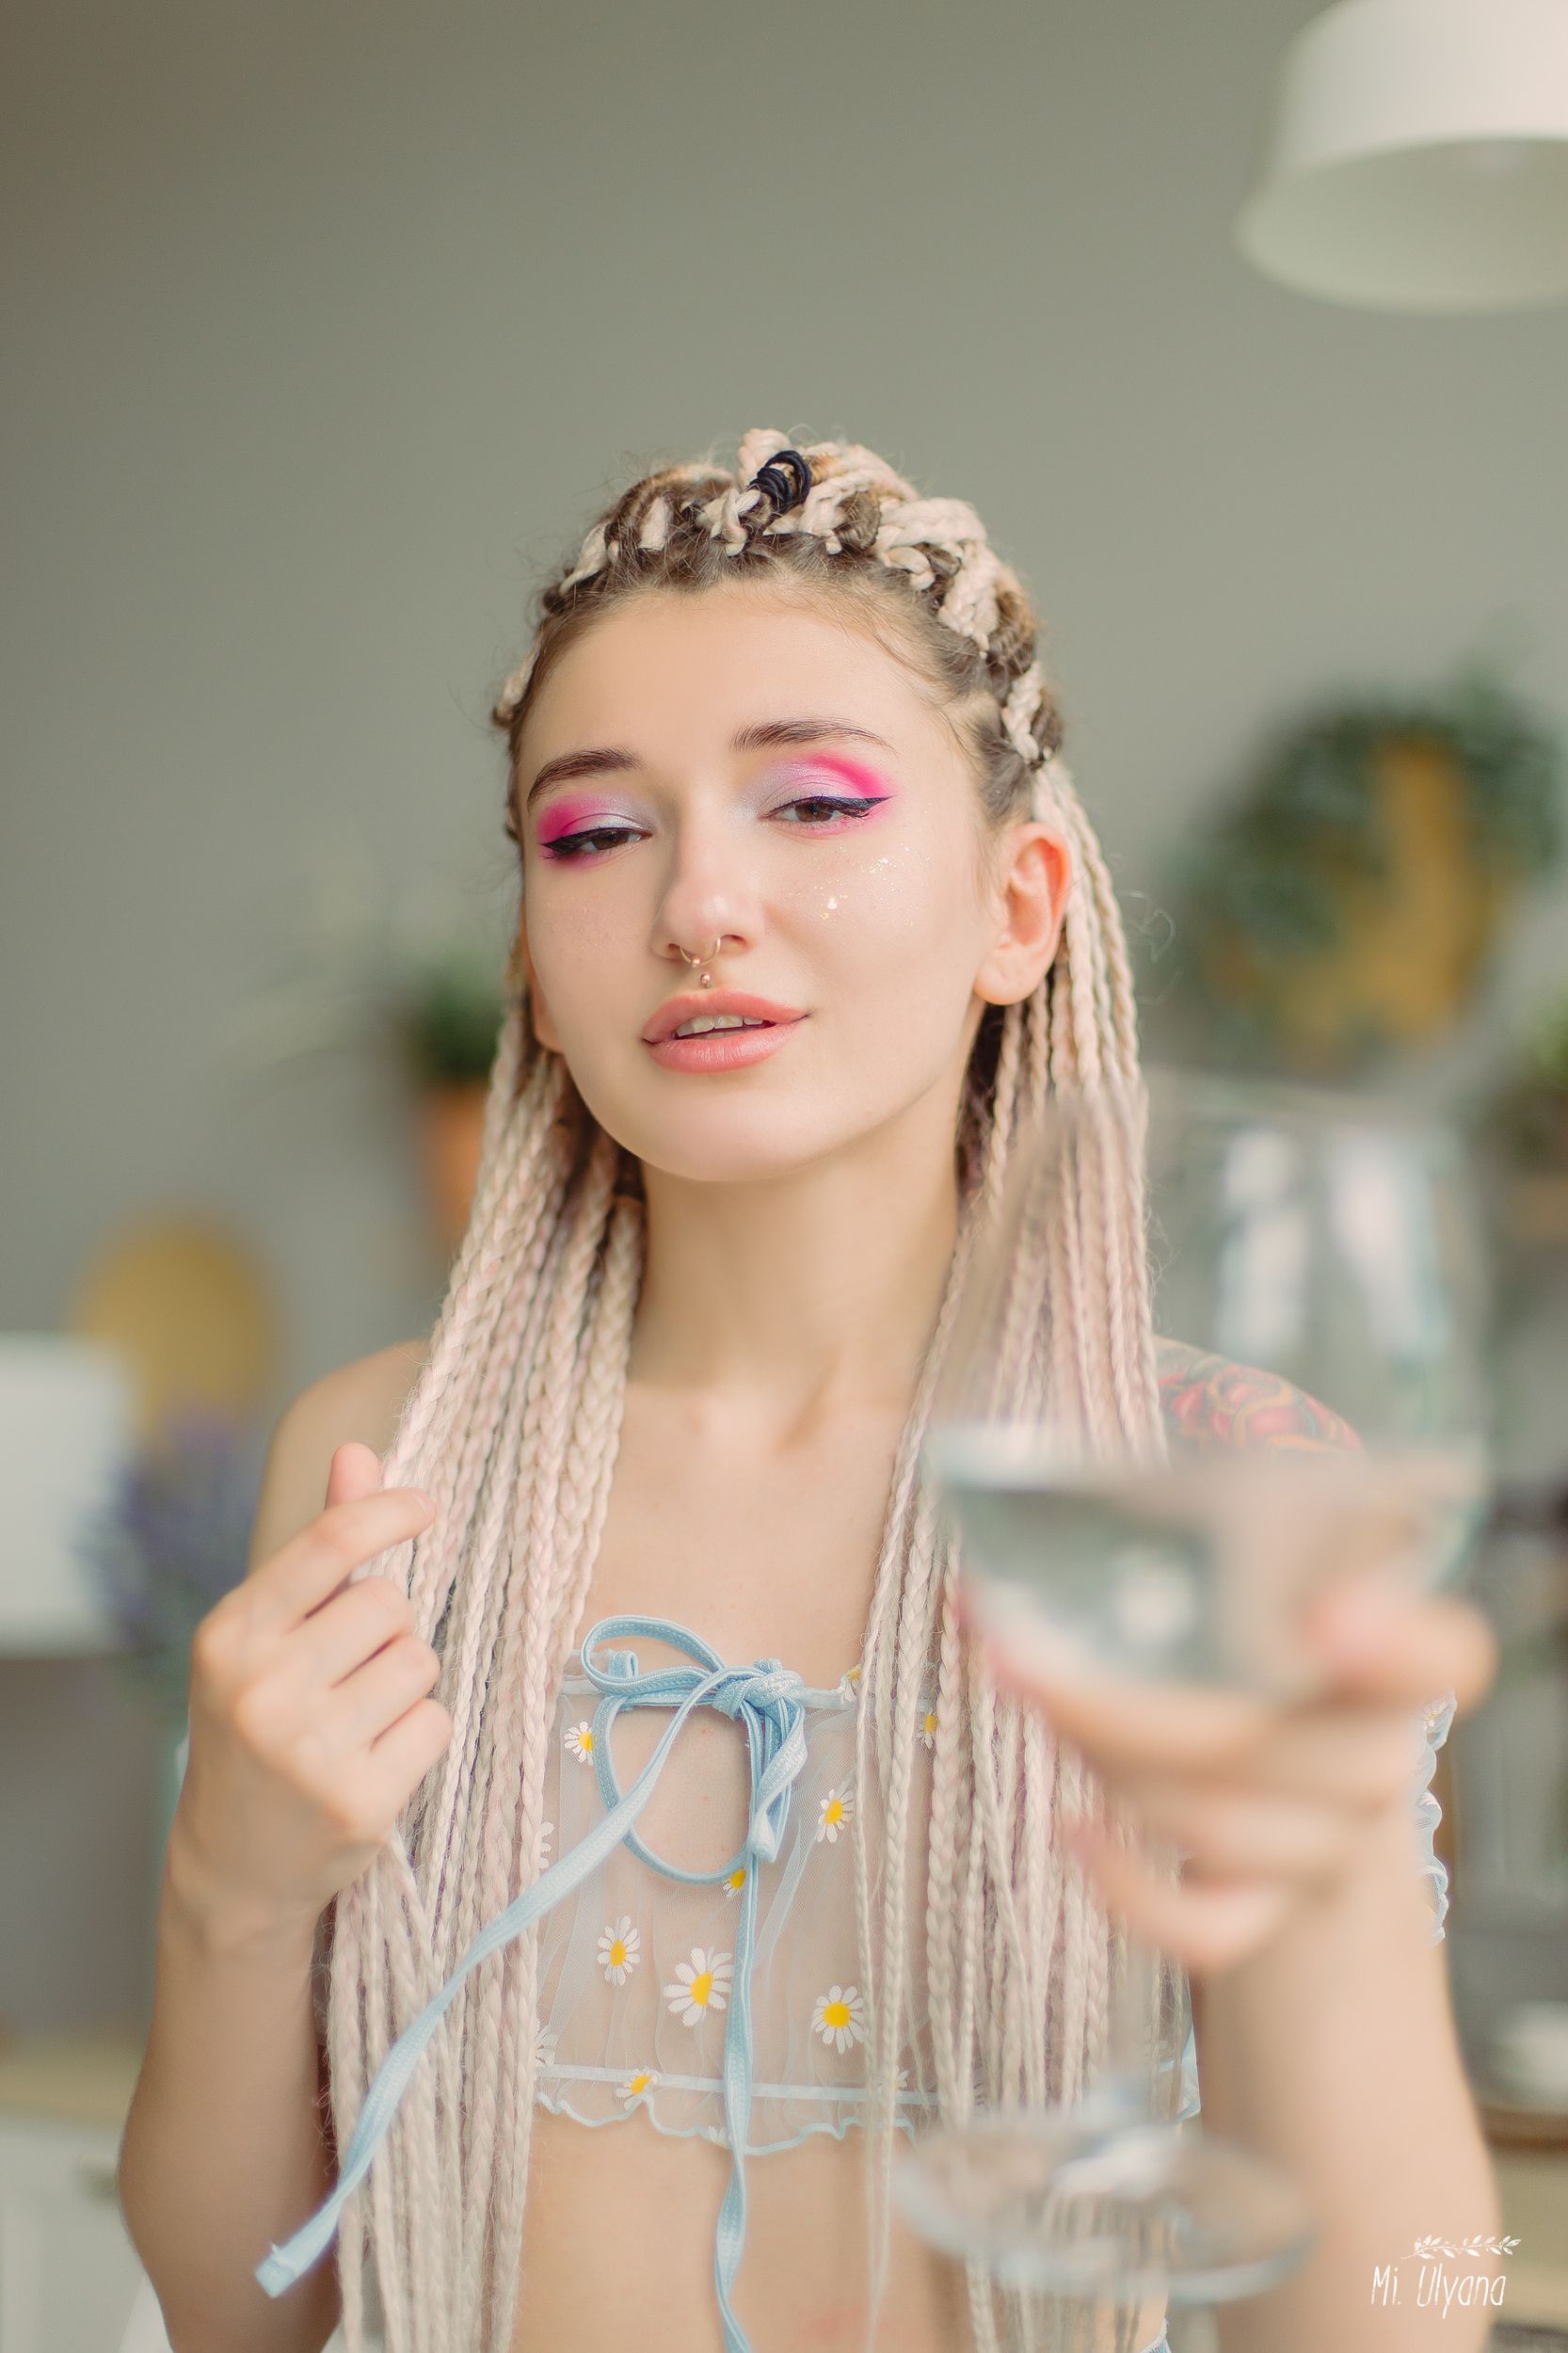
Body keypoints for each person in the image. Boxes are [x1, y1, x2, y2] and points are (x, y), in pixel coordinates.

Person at [117, 430, 1501, 2353]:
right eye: (595, 835)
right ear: (533, 969)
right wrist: (234, 1887)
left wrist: (1324, 1890)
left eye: (812, 803)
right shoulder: (382, 1467)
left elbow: (1412, 2317)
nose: (698, 903)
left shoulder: (1206, 1486)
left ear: (1018, 905)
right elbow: (233, 2313)